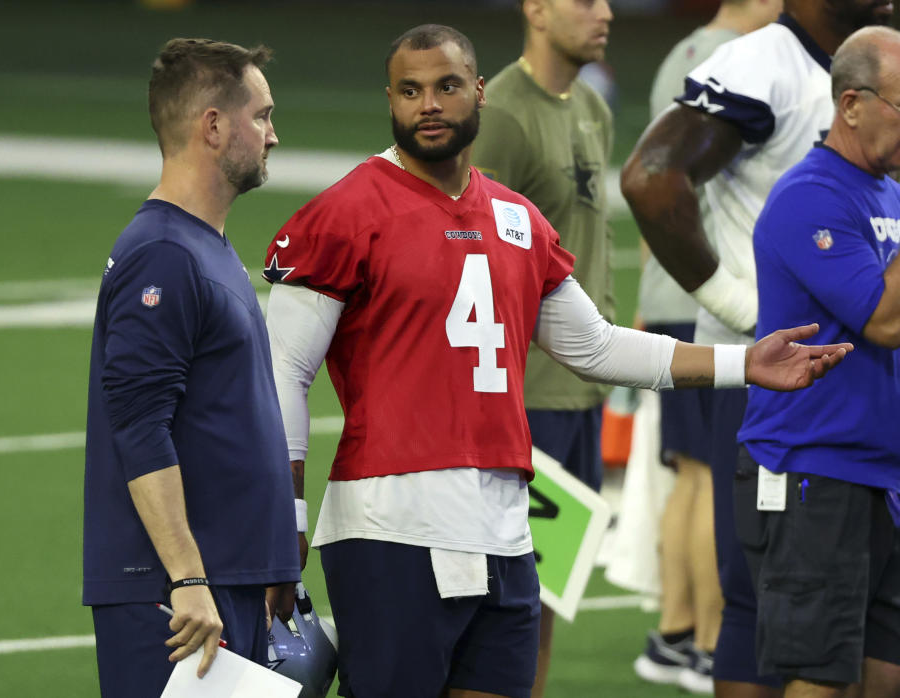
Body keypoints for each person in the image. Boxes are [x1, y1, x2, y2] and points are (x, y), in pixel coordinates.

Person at [263, 24, 850, 698]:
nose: (429, 104)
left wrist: (742, 364)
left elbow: (595, 346)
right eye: (410, 90)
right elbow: (283, 372)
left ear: (479, 91)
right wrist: (288, 522)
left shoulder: (517, 219)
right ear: (389, 99)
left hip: (508, 529)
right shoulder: (342, 213)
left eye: (447, 86)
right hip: (391, 523)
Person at [621, 1, 892, 695]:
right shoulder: (759, 62)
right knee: (760, 606)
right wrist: (741, 308)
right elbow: (652, 179)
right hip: (773, 381)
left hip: (863, 403)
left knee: (853, 631)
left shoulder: (875, 95)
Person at [82, 38, 301, 697]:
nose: (274, 135)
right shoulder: (164, 256)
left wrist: (264, 563)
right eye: (260, 116)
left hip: (221, 584)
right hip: (177, 600)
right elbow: (140, 427)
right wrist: (188, 577)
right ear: (213, 125)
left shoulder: (203, 248)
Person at [737, 25, 900, 697]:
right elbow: (885, 322)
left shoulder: (888, 193)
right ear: (852, 103)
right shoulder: (811, 197)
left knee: (885, 674)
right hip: (814, 466)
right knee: (821, 677)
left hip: (880, 472)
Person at [632, 1, 781, 693]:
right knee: (705, 477)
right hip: (698, 301)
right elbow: (662, 178)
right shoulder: (720, 63)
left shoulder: (698, 55)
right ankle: (707, 637)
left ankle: (678, 629)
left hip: (678, 296)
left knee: (689, 471)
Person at [469, 2, 614, 691]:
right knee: (503, 601)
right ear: (536, 9)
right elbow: (468, 251)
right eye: (585, 0)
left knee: (547, 596)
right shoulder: (499, 112)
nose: (607, 12)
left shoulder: (592, 105)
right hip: (524, 398)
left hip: (582, 390)